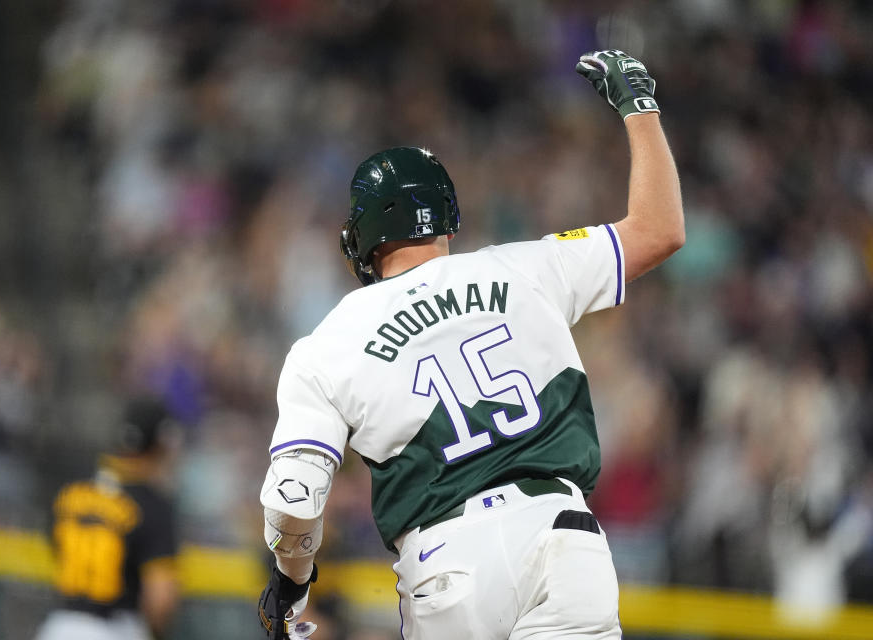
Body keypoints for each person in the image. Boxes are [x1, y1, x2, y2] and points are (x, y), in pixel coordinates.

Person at [258, 50, 684, 639]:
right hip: (561, 539)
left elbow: (294, 498)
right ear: (448, 219)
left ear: (363, 238)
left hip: (447, 565)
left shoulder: (326, 343)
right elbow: (661, 229)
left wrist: (292, 580)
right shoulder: (527, 267)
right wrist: (640, 107)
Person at [35, 397, 181, 640]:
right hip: (116, 628)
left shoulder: (71, 490)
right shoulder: (151, 504)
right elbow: (161, 598)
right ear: (159, 445)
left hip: (58, 627)